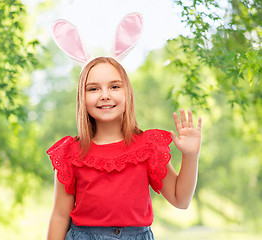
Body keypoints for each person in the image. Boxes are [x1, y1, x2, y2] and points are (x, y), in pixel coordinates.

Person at [46, 57, 202, 240]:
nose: (105, 95)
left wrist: (191, 155)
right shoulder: (70, 153)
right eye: (93, 88)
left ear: (127, 92)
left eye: (114, 87)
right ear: (82, 96)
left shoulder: (148, 147)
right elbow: (59, 216)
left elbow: (180, 199)